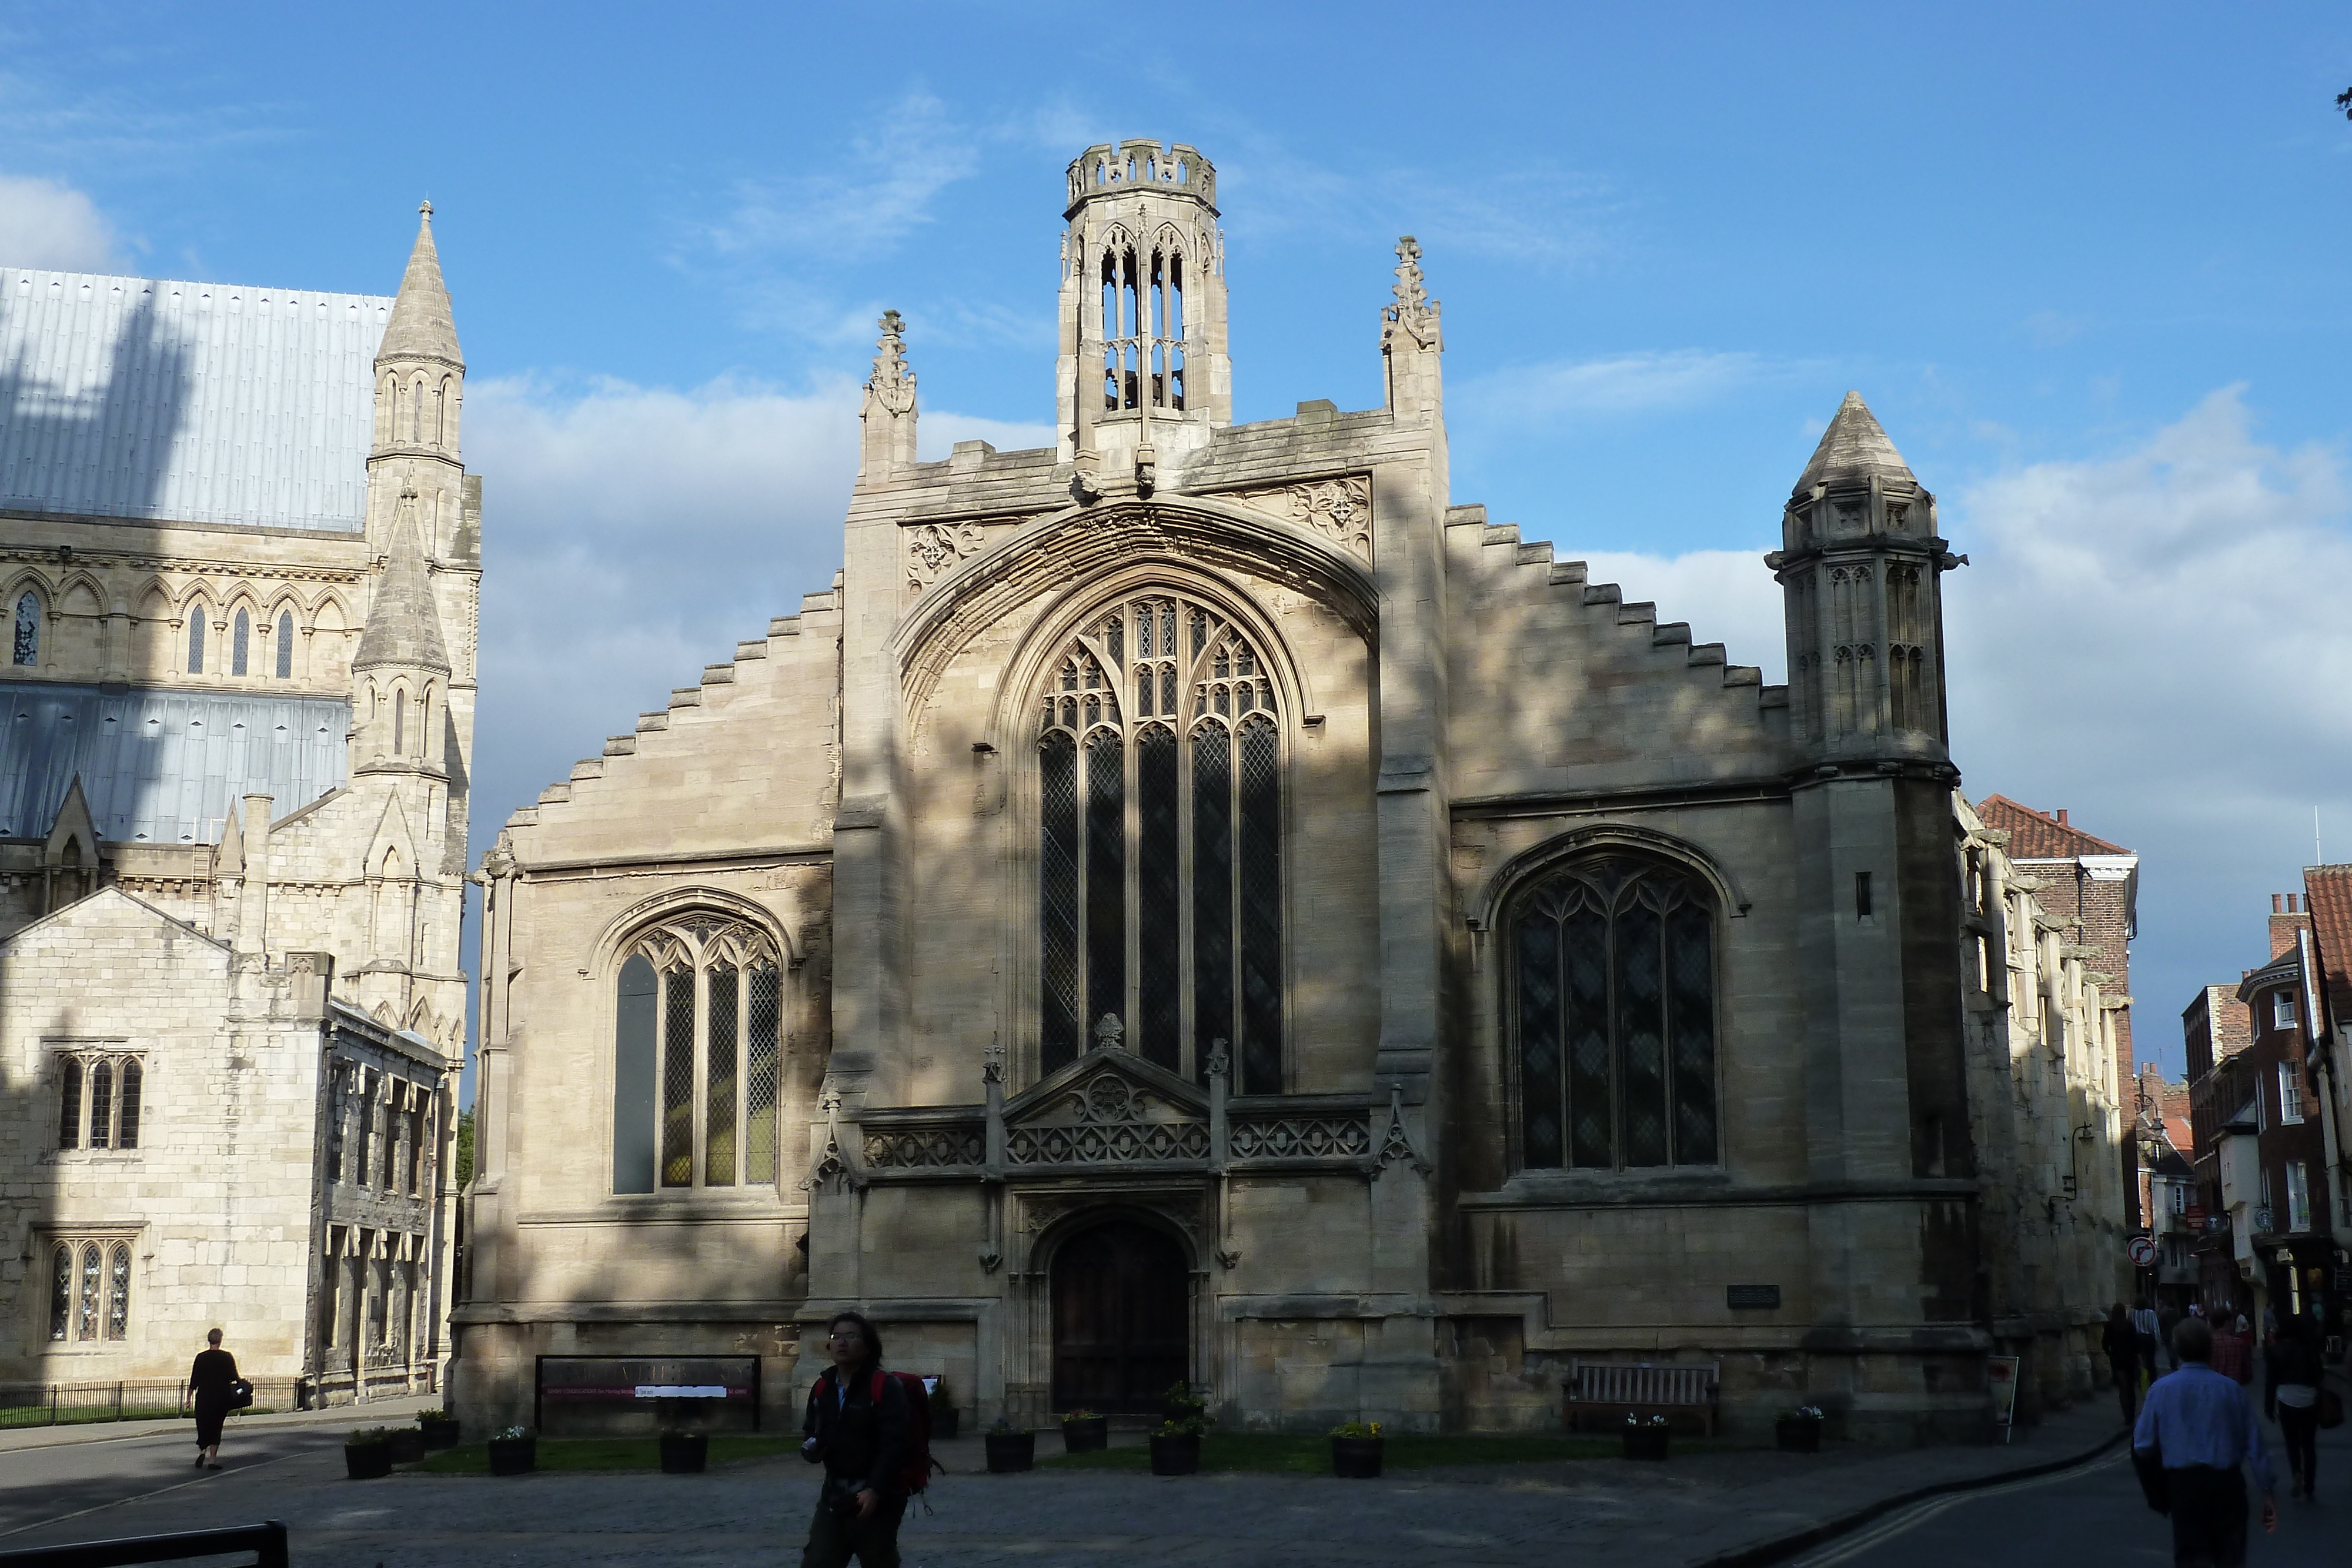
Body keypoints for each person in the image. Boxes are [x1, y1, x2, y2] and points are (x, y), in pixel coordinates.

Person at [2134, 1316, 2276, 1566]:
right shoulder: (2231, 1390)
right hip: (2227, 1485)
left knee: (2191, 1557)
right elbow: (2255, 1445)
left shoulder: (2161, 1390)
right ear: (2209, 1349)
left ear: (2177, 1350)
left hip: (2184, 1486)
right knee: (2230, 1556)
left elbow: (2143, 1444)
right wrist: (2267, 1490)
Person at [797, 1310, 910, 1568]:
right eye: (837, 1336)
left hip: (877, 1496)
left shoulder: (885, 1386)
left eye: (852, 1336)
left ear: (868, 1347)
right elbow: (811, 1429)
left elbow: (895, 1445)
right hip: (835, 1494)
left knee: (878, 1560)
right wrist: (815, 1447)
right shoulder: (823, 1386)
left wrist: (875, 1490)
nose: (842, 1342)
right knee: (818, 1561)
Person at [2267, 1321, 2321, 1500]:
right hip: (2308, 1397)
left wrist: (2269, 1406)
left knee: (2291, 1442)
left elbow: (2271, 1381)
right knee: (2309, 1444)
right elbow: (2320, 1375)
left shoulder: (2276, 1350)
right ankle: (2310, 1485)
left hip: (2286, 1398)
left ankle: (2297, 1473)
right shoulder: (2309, 1349)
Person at [187, 1328, 238, 1470]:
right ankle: (212, 1461)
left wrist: (189, 1398)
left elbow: (194, 1379)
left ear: (209, 1340)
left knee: (203, 1425)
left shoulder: (201, 1357)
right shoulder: (227, 1357)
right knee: (216, 1427)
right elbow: (234, 1376)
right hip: (221, 1397)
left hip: (204, 1396)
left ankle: (203, 1451)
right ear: (220, 1341)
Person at [2103, 1303, 2143, 1422]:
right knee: (2131, 1388)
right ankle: (2132, 1413)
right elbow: (2136, 1343)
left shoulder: (2109, 1326)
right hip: (2130, 1359)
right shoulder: (2129, 1325)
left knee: (2122, 1388)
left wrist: (2110, 1353)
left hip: (2117, 1359)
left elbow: (2105, 1343)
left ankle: (2126, 1414)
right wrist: (2139, 1358)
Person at [2210, 1315, 2253, 1386]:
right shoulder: (2239, 1343)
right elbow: (2247, 1374)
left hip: (2212, 1389)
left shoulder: (2208, 1343)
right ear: (2227, 1323)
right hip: (2233, 1389)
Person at [2157, 1302, 2184, 1373]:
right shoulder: (2176, 1314)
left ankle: (2172, 1362)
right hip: (2175, 1333)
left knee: (2169, 1348)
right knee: (2175, 1348)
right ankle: (2175, 1362)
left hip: (2166, 1334)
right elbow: (2179, 1322)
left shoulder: (2163, 1314)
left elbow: (2160, 1324)